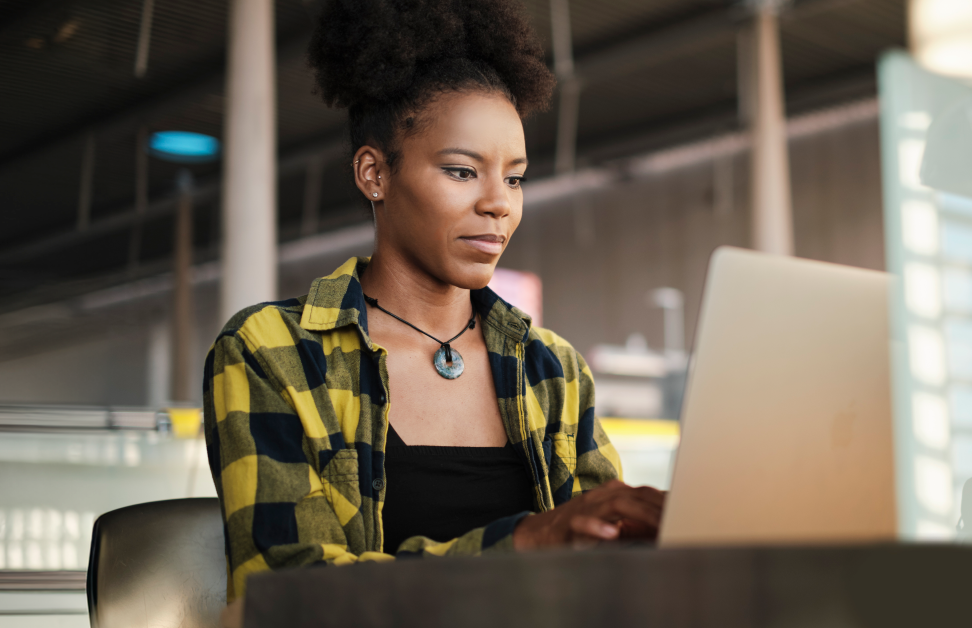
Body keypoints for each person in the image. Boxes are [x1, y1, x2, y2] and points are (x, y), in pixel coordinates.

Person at [203, 0, 666, 603]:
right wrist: (528, 542)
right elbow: (288, 592)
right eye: (461, 171)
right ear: (375, 173)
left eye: (516, 177)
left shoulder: (551, 370)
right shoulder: (273, 353)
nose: (500, 203)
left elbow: (605, 580)